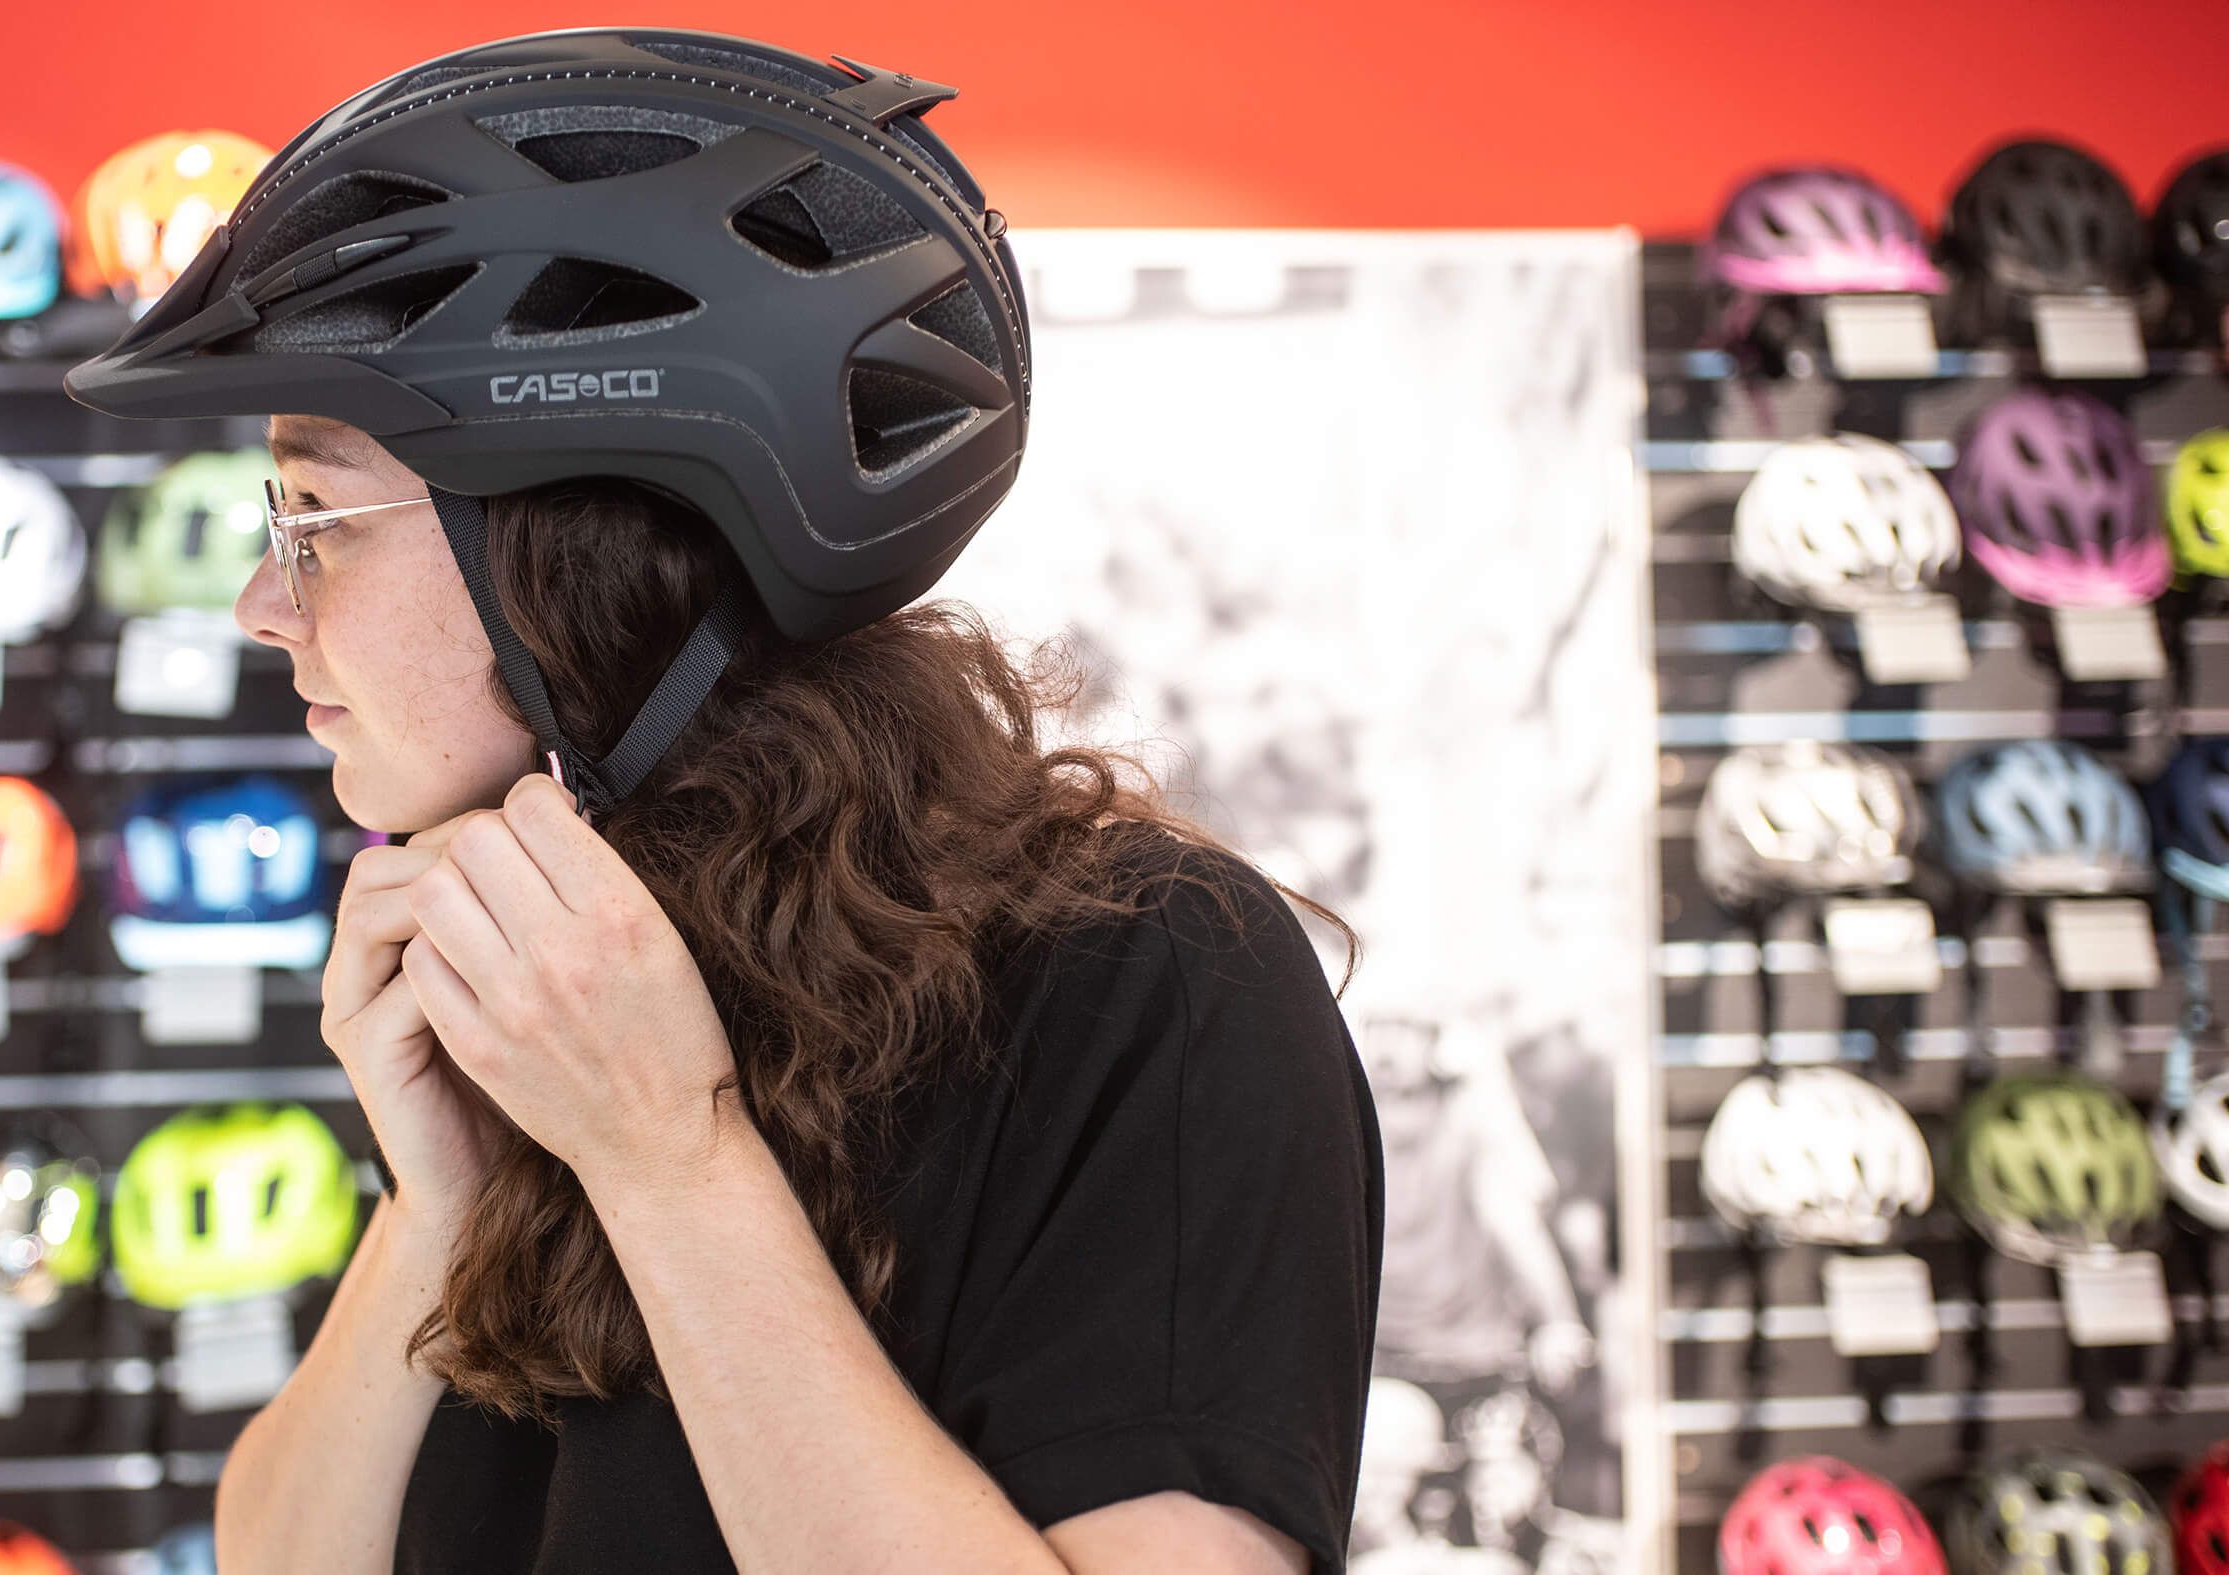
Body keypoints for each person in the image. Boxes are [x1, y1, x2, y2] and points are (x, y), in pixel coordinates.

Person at [67, 27, 1381, 1574]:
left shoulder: (1142, 980)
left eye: (314, 517)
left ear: (584, 541)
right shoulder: (549, 970)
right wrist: (438, 1199)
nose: (260, 606)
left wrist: (671, 1162)